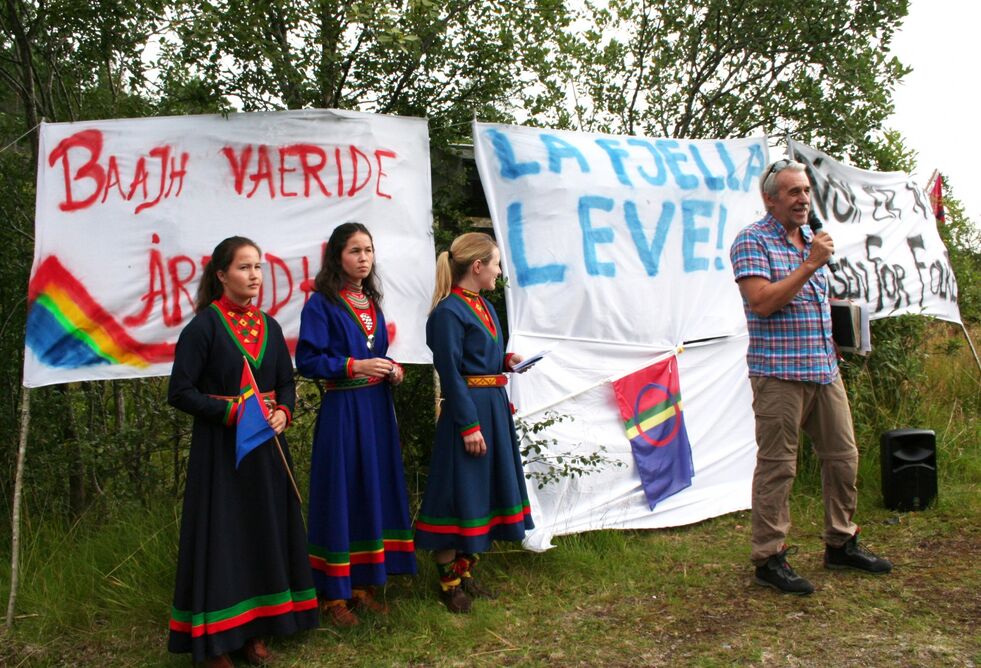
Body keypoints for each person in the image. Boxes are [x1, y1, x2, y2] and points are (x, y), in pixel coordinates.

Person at [729, 159, 893, 596]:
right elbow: (762, 302)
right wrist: (810, 264)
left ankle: (840, 542)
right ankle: (769, 557)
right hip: (779, 373)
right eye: (793, 192)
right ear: (770, 199)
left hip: (823, 368)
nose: (803, 199)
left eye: (805, 191)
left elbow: (812, 300)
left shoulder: (809, 240)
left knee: (843, 457)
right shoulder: (752, 241)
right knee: (778, 467)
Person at [167, 236, 318, 666]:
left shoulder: (269, 326)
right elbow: (179, 392)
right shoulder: (203, 328)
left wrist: (285, 412)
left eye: (258, 268)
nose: (254, 276)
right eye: (244, 268)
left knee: (262, 531)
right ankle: (220, 637)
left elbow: (285, 382)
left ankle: (257, 628)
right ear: (221, 275)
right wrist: (233, 413)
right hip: (221, 451)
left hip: (268, 446)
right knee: (227, 537)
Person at [295, 222, 416, 627]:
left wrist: (390, 368)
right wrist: (354, 366)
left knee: (371, 488)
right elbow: (308, 361)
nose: (364, 258)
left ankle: (362, 586)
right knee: (342, 491)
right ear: (336, 257)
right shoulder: (321, 304)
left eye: (368, 250)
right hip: (344, 409)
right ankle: (333, 596)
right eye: (355, 251)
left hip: (375, 408)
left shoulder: (370, 301)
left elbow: (375, 351)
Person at [414, 232, 534, 613]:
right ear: (477, 266)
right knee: (458, 492)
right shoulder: (448, 313)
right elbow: (450, 372)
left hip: (493, 409)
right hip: (469, 414)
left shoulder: (484, 305)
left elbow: (482, 357)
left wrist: (506, 360)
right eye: (496, 264)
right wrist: (468, 425)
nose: (499, 271)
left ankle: (465, 572)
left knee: (482, 492)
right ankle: (449, 584)